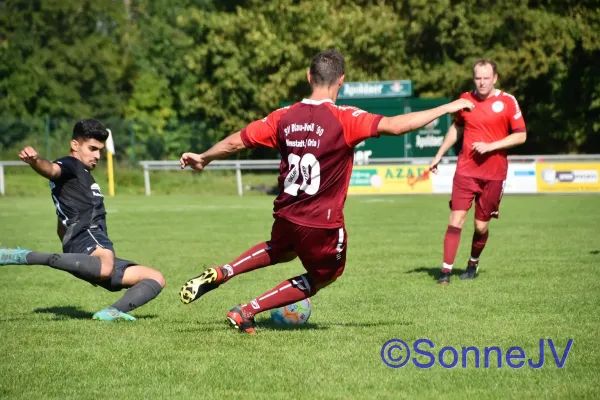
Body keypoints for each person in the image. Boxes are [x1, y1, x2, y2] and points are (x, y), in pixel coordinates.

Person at [178, 49, 474, 334]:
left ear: (309, 76)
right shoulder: (344, 118)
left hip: (286, 212)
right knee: (326, 275)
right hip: (321, 221)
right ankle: (247, 310)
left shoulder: (283, 116)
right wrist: (446, 108)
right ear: (341, 80)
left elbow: (237, 142)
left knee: (281, 249)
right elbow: (396, 126)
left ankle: (225, 271)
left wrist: (204, 157)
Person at [0, 119, 166, 321]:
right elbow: (51, 169)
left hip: (87, 244)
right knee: (105, 266)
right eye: (92, 149)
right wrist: (35, 161)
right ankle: (25, 256)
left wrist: (70, 248)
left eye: (100, 151)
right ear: (75, 145)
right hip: (89, 238)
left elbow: (62, 221)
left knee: (155, 278)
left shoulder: (81, 176)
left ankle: (110, 312)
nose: (97, 156)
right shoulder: (70, 165)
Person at [429, 58, 527, 284]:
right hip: (465, 171)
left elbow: (521, 135)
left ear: (495, 78)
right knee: (456, 219)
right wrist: (439, 154)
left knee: (481, 226)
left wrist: (491, 146)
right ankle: (445, 273)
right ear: (473, 78)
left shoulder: (508, 101)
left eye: (486, 78)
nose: (482, 83)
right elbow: (456, 129)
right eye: (478, 78)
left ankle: (472, 263)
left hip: (494, 174)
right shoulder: (465, 100)